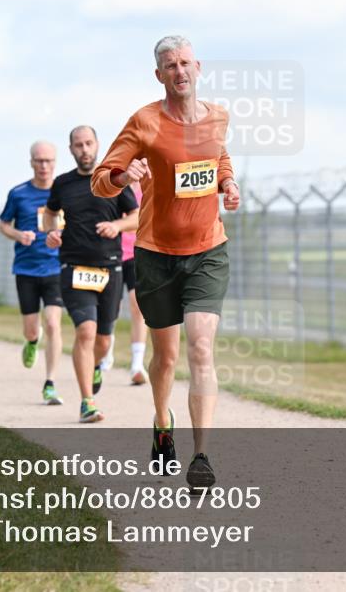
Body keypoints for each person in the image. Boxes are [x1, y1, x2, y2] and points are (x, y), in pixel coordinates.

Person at [91, 35, 241, 489]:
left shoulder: (218, 116)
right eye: (170, 66)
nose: (179, 71)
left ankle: (202, 456)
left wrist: (228, 184)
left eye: (185, 63)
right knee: (166, 355)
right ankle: (161, 423)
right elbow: (101, 180)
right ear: (160, 75)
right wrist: (122, 175)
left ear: (199, 67)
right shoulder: (145, 121)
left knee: (199, 347)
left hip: (208, 250)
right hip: (156, 253)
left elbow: (219, 158)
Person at [44, 126, 138, 423]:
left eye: (88, 143)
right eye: (78, 145)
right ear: (71, 149)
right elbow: (49, 214)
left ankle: (97, 365)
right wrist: (51, 232)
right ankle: (87, 401)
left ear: (97, 145)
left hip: (110, 267)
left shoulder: (115, 180)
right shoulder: (62, 183)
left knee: (104, 340)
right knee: (85, 330)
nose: (84, 149)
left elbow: (137, 217)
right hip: (73, 267)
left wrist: (117, 227)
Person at [0, 141, 65, 404]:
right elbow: (4, 225)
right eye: (39, 161)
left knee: (52, 323)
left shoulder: (64, 193)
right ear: (31, 162)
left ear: (55, 163)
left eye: (48, 161)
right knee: (31, 329)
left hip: (55, 267)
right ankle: (31, 341)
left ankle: (50, 383)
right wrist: (19, 234)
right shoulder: (18, 194)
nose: (44, 166)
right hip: (26, 268)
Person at [97, 180, 149, 385]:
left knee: (138, 306)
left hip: (139, 254)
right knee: (112, 307)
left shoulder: (150, 188)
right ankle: (106, 350)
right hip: (115, 254)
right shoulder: (114, 189)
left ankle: (137, 364)